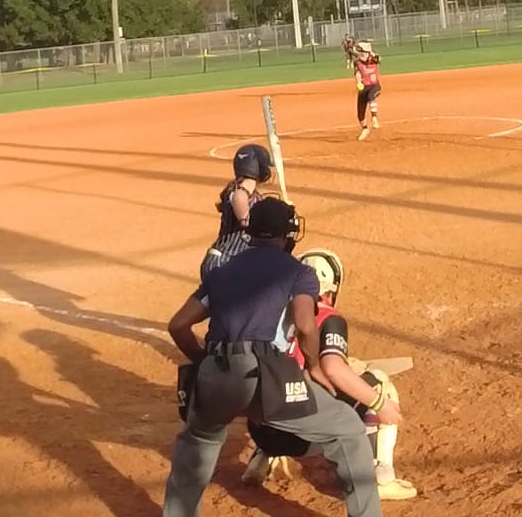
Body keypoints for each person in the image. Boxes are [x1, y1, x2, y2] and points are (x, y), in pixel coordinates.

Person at [162, 197, 388, 517]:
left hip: (217, 371)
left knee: (197, 440)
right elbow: (306, 325)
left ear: (250, 232)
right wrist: (313, 366)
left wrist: (205, 362)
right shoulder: (299, 272)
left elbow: (178, 325)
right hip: (265, 373)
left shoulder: (222, 272)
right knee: (348, 430)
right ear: (288, 233)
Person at [242, 247, 417, 502]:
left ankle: (261, 457)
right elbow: (333, 369)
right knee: (378, 384)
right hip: (300, 437)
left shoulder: (270, 311)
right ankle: (379, 478)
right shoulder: (328, 316)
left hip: (260, 428)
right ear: (332, 287)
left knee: (275, 383)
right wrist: (380, 404)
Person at [201, 144, 273, 283]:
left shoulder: (245, 192)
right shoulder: (239, 192)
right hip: (224, 263)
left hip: (228, 262)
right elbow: (244, 218)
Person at [351, 41, 381, 142]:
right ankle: (365, 128)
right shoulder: (357, 62)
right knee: (360, 114)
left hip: (374, 85)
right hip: (364, 87)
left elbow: (378, 58)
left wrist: (369, 51)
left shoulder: (373, 59)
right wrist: (358, 83)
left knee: (371, 96)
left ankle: (374, 118)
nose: (361, 55)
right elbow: (357, 73)